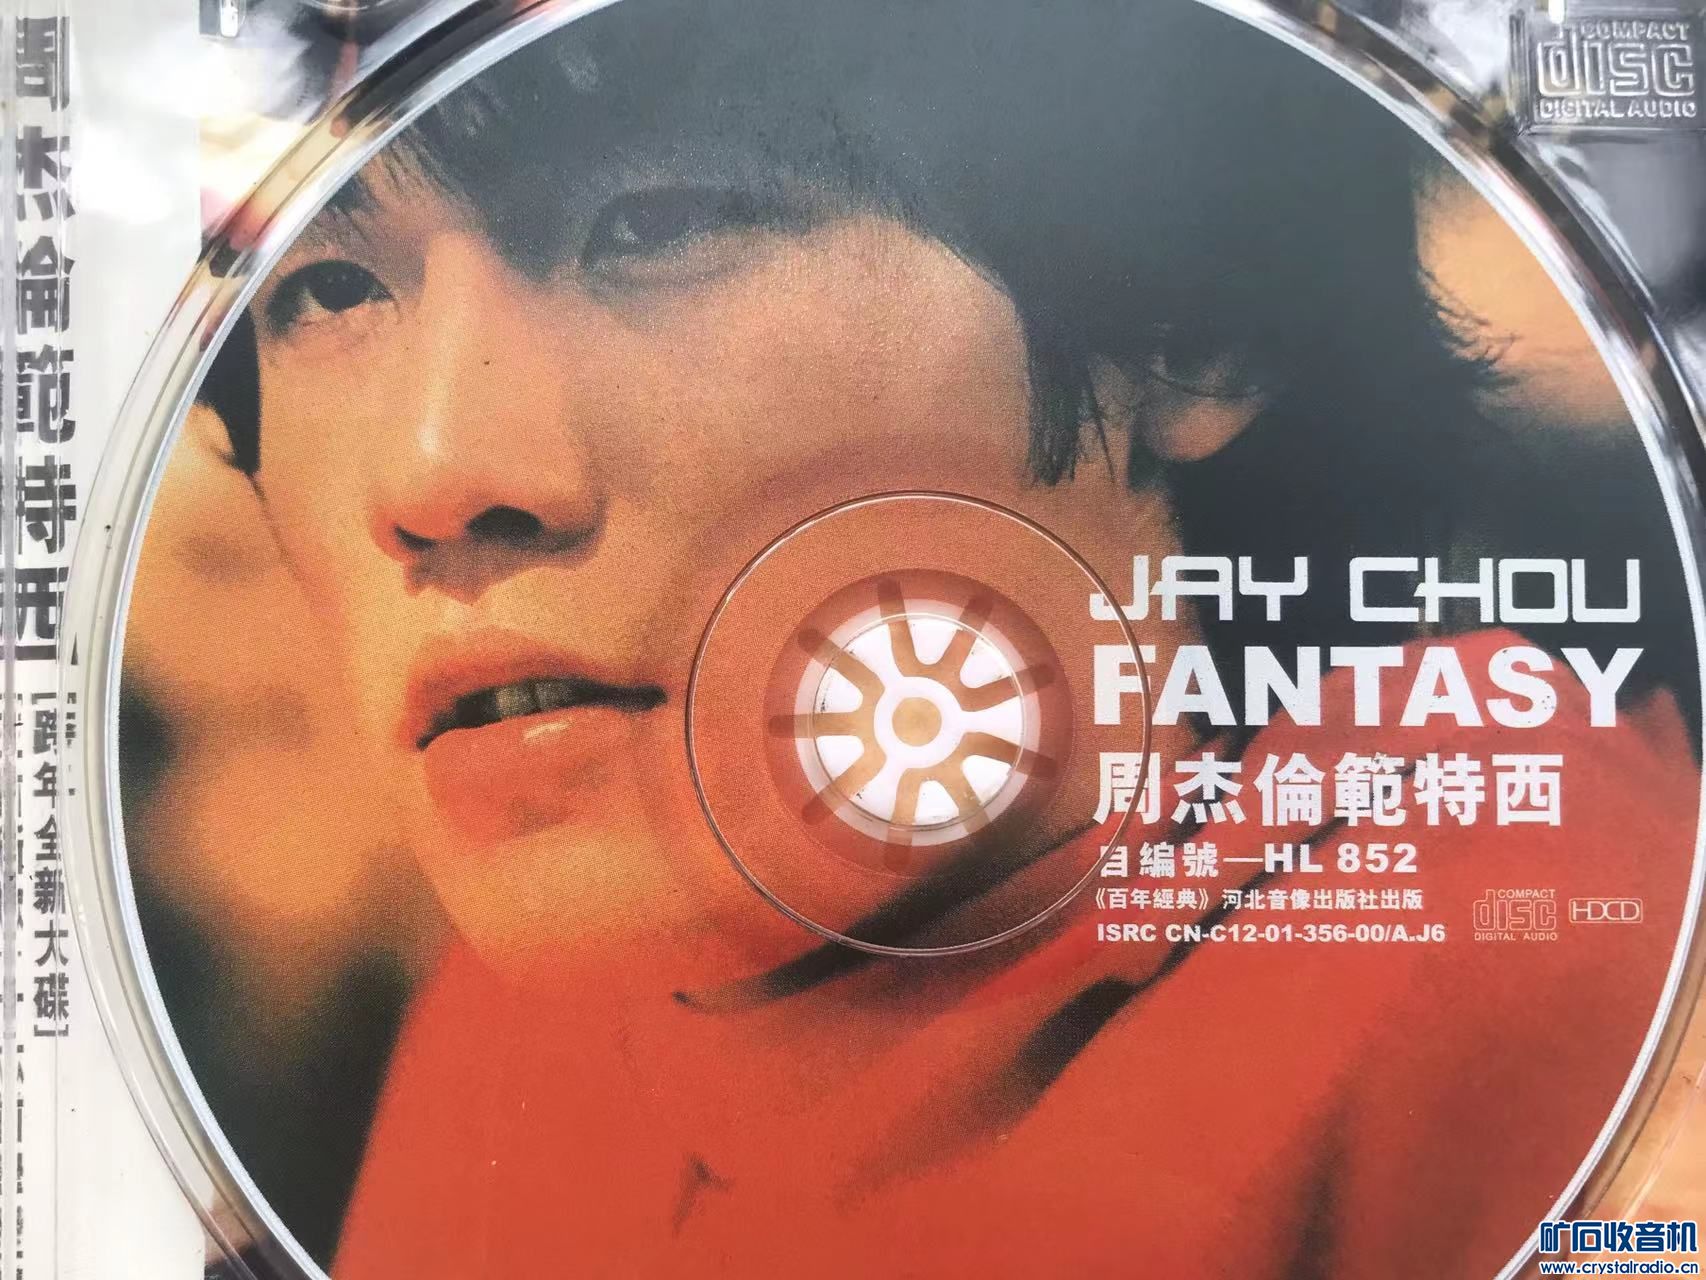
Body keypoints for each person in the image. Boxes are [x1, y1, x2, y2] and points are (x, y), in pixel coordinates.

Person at [178, 0, 1700, 1273]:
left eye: (657, 222)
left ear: (1192, 325)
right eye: (328, 290)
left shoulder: (1520, 952)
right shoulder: (540, 1016)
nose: (434, 472)